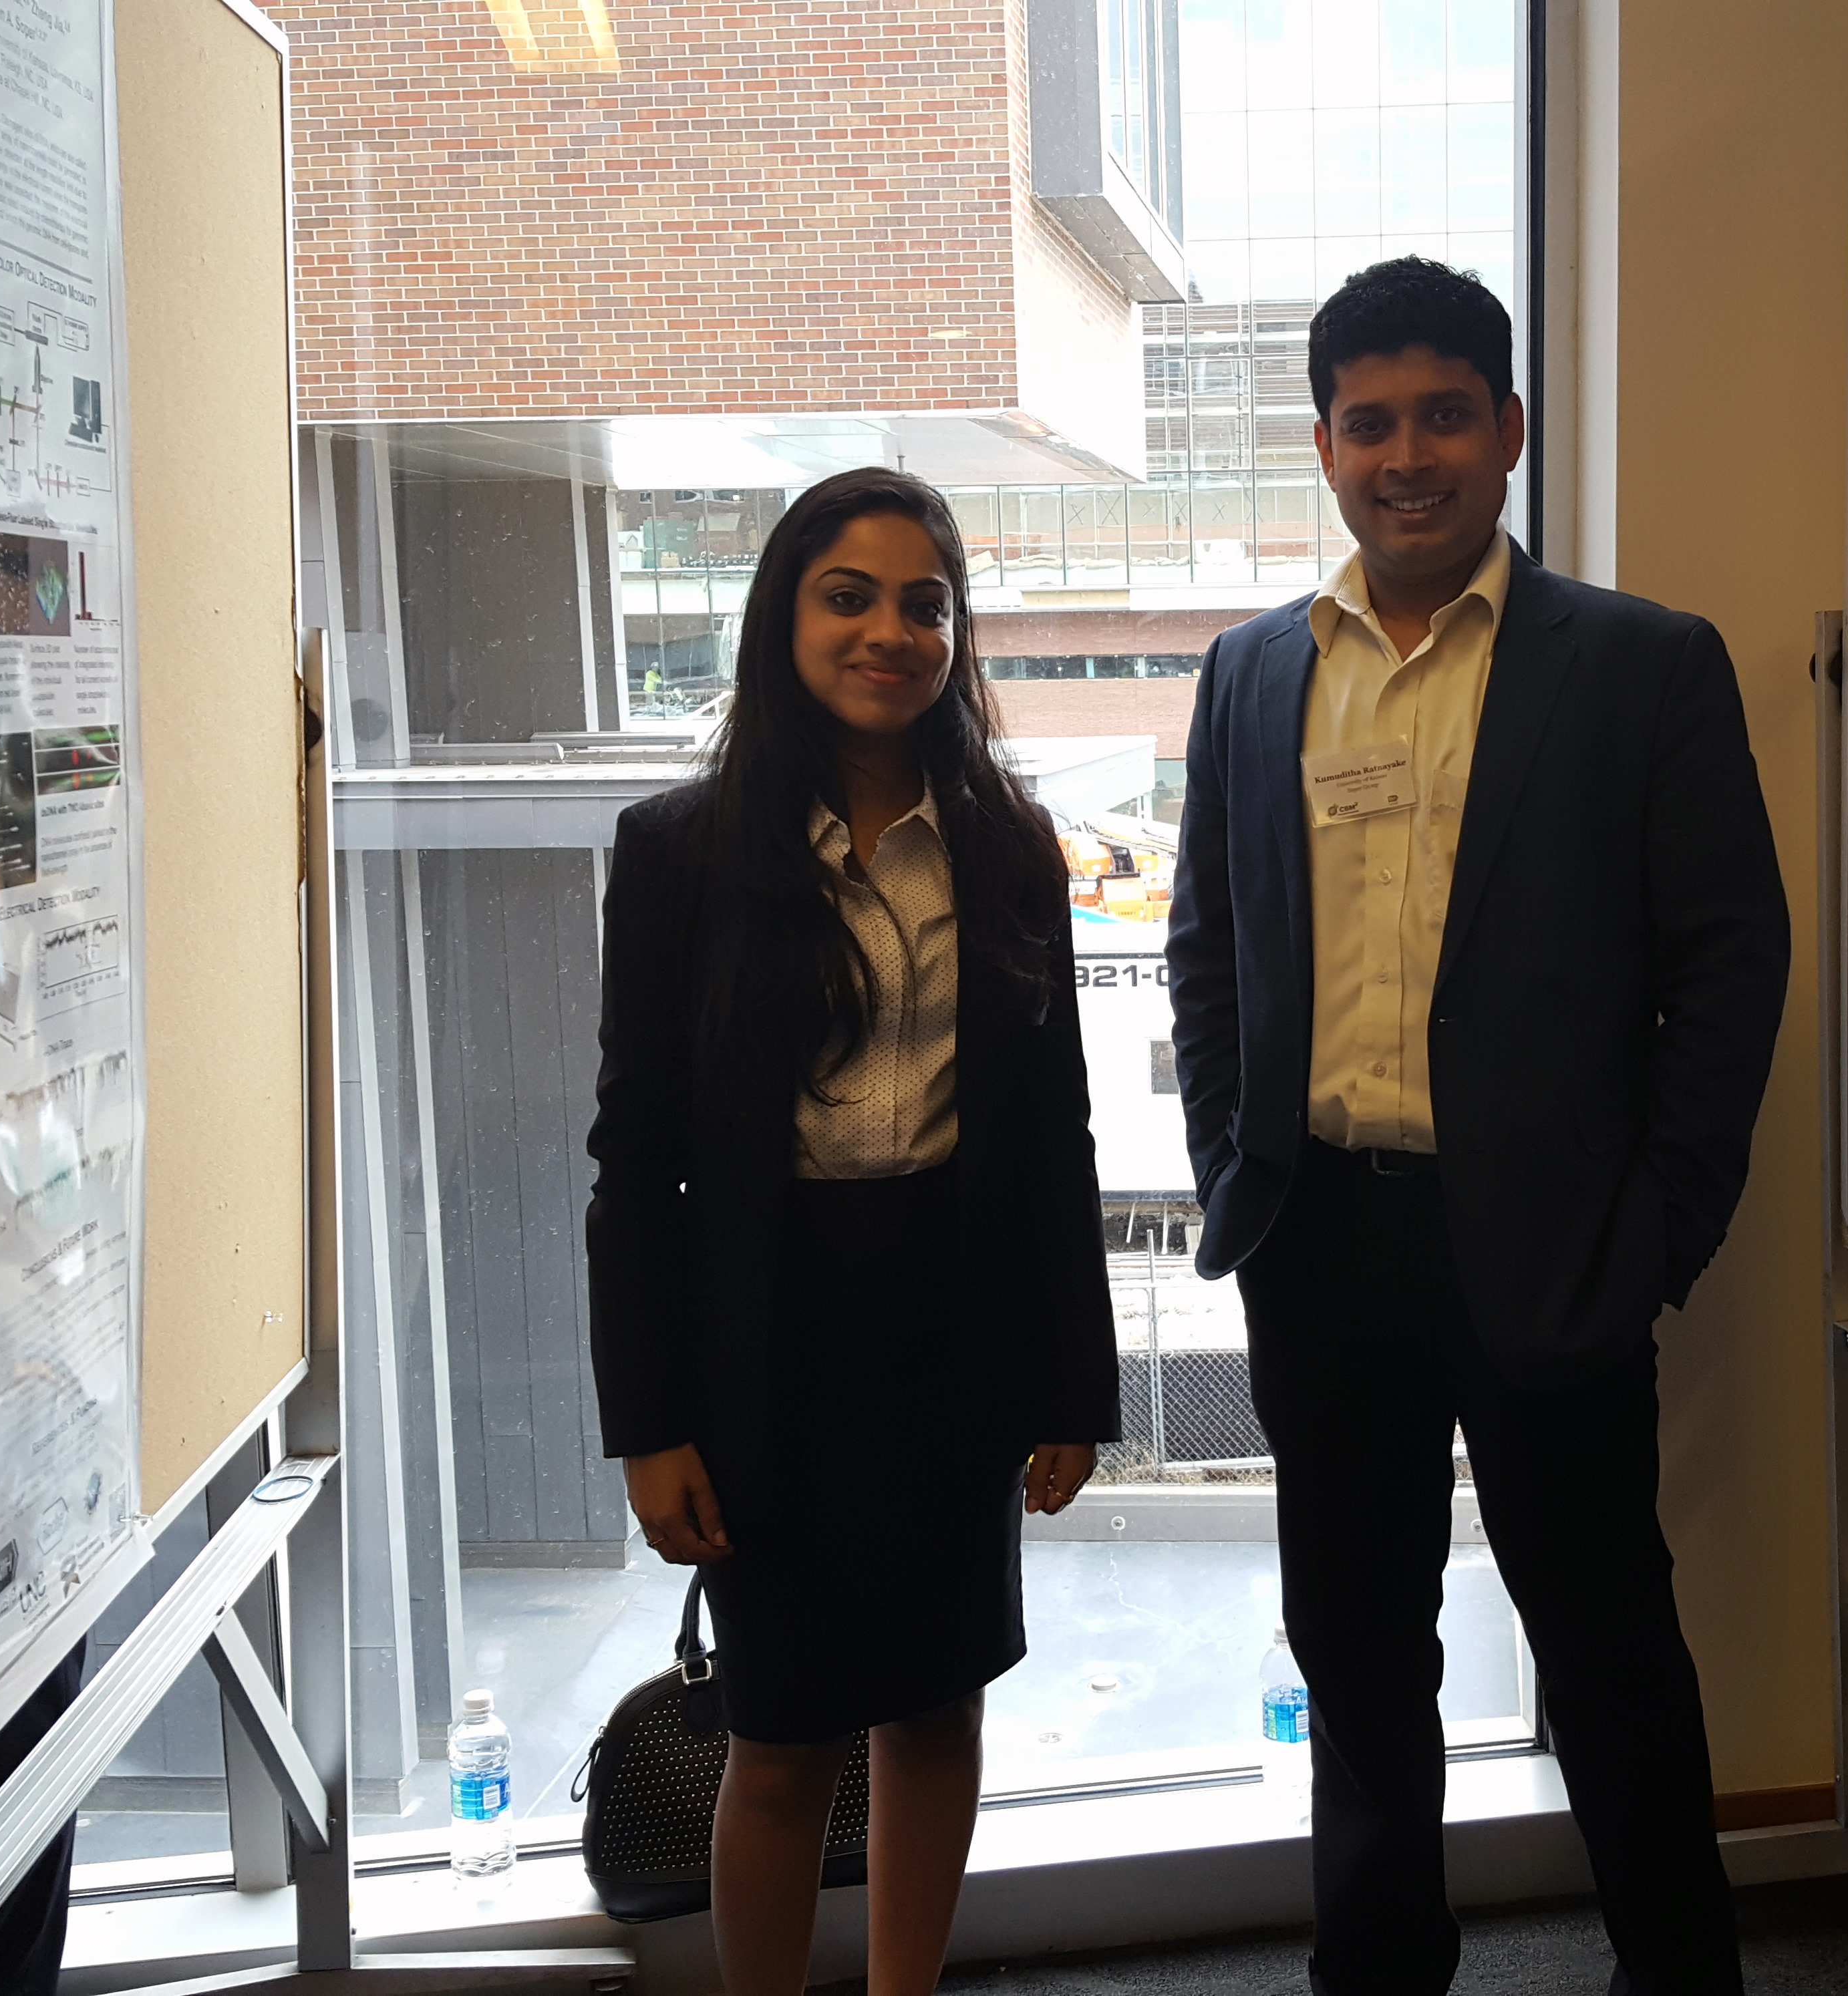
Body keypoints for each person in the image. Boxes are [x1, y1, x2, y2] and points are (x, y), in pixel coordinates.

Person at [1165, 257, 1791, 1996]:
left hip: (1556, 1245)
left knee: (1606, 1648)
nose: (1408, 453)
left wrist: (1659, 1230)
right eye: (1371, 422)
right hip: (1324, 1244)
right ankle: (1380, 1970)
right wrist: (1242, 1179)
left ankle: (1681, 1972)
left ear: (1509, 431)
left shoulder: (1642, 667)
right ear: (1325, 447)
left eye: (1446, 412)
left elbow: (1729, 966)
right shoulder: (1248, 679)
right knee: (1360, 1650)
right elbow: (1208, 948)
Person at [587, 467, 1118, 1996]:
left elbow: (1056, 1137)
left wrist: (1073, 1389)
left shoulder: (1010, 848)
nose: (890, 632)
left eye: (925, 604)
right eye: (851, 595)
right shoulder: (682, 853)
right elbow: (637, 1161)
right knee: (779, 1732)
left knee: (938, 1708)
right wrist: (652, 1422)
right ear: (784, 617)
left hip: (951, 1329)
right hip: (772, 1345)